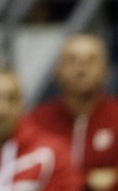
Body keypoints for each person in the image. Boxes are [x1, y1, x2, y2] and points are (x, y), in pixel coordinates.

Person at [27, 34, 118, 191]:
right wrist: (87, 179)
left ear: (107, 70)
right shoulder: (37, 121)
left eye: (91, 60)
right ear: (56, 71)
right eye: (72, 60)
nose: (81, 68)